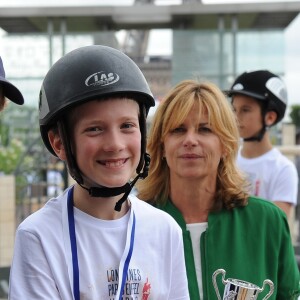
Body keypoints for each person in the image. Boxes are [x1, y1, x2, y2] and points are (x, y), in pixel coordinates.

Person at [9, 45, 189, 299]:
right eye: (95, 129)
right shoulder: (39, 236)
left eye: (127, 125)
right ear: (60, 143)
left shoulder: (165, 230)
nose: (115, 144)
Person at [137, 79, 300, 299]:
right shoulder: (134, 225)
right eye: (178, 130)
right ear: (162, 146)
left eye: (204, 129)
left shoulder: (268, 222)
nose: (190, 140)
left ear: (226, 144)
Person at [226, 70, 298, 219]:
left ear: (270, 117)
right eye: (234, 109)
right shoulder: (226, 160)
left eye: (245, 110)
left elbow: (275, 227)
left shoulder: (283, 169)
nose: (236, 117)